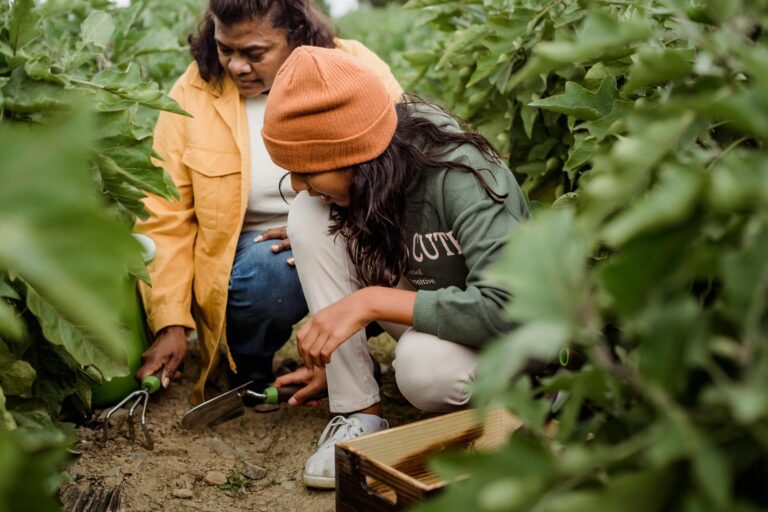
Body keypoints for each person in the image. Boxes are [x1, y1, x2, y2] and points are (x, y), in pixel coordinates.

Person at [264, 47, 530, 488]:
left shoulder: (461, 173)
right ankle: (359, 412)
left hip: (510, 338)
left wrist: (371, 301)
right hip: (441, 315)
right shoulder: (368, 179)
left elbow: (509, 309)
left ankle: (523, 402)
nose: (296, 184)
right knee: (305, 217)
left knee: (424, 370)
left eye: (307, 169)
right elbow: (322, 211)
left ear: (358, 153)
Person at [135, 0, 402, 405]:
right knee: (264, 277)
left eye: (254, 53)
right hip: (261, 247)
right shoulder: (193, 93)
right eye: (226, 49)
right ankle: (249, 362)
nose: (236, 66)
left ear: (295, 35)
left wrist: (324, 231)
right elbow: (164, 213)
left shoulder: (356, 67)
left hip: (352, 228)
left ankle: (346, 356)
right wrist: (170, 323)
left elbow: (399, 165)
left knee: (372, 262)